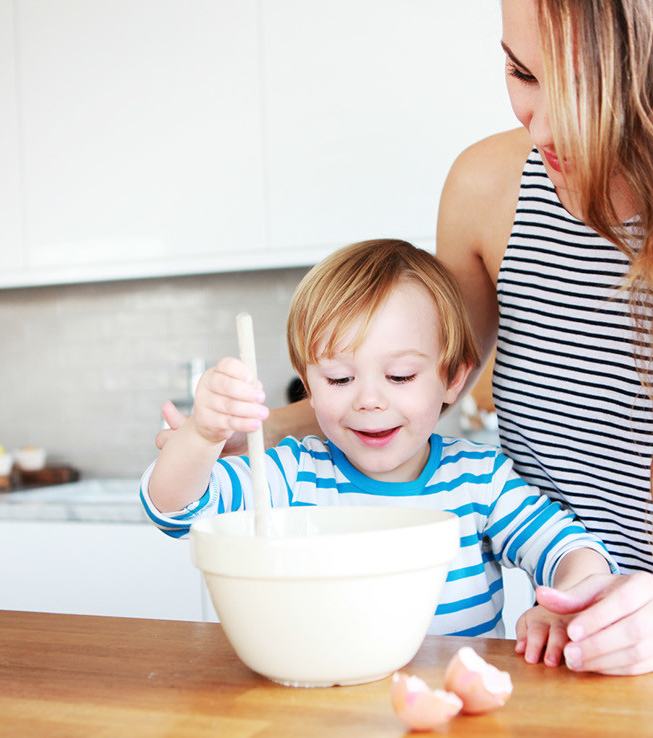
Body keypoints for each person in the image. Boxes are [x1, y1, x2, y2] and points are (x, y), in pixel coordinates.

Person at [160, 0, 653, 675]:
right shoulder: (487, 189)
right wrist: (230, 432)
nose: (542, 128)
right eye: (523, 73)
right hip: (567, 645)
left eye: (587, 89)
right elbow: (415, 389)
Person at [142, 239, 617, 642]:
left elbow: (569, 550)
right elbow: (174, 511)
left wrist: (571, 598)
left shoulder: (480, 479)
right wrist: (203, 436)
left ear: (452, 379)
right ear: (308, 386)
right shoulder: (292, 474)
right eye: (340, 379)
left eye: (400, 375)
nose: (369, 400)